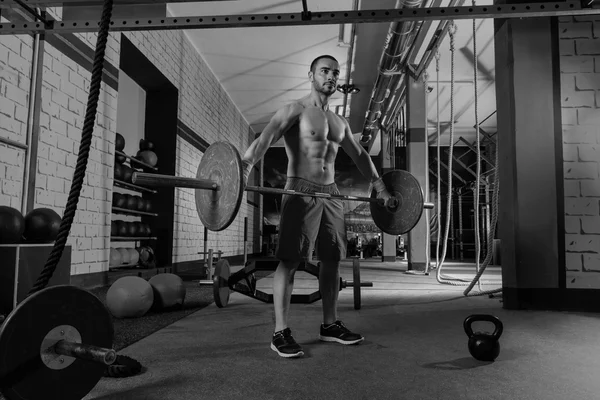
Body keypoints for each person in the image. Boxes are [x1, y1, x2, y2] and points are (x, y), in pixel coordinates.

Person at [240, 55, 393, 358]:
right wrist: (244, 169)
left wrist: (380, 186)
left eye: (335, 73)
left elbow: (360, 155)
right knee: (290, 260)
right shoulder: (295, 110)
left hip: (331, 193)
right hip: (300, 189)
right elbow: (266, 137)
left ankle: (330, 324)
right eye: (325, 71)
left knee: (332, 259)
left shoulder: (339, 122)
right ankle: (280, 331)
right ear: (310, 75)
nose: (331, 77)